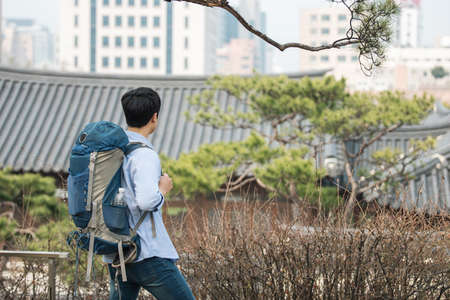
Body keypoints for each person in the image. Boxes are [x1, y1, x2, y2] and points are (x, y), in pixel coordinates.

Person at [105, 87, 195, 300]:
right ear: (154, 117)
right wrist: (163, 189)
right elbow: (146, 201)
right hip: (146, 252)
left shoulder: (114, 150)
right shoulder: (144, 154)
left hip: (117, 249)